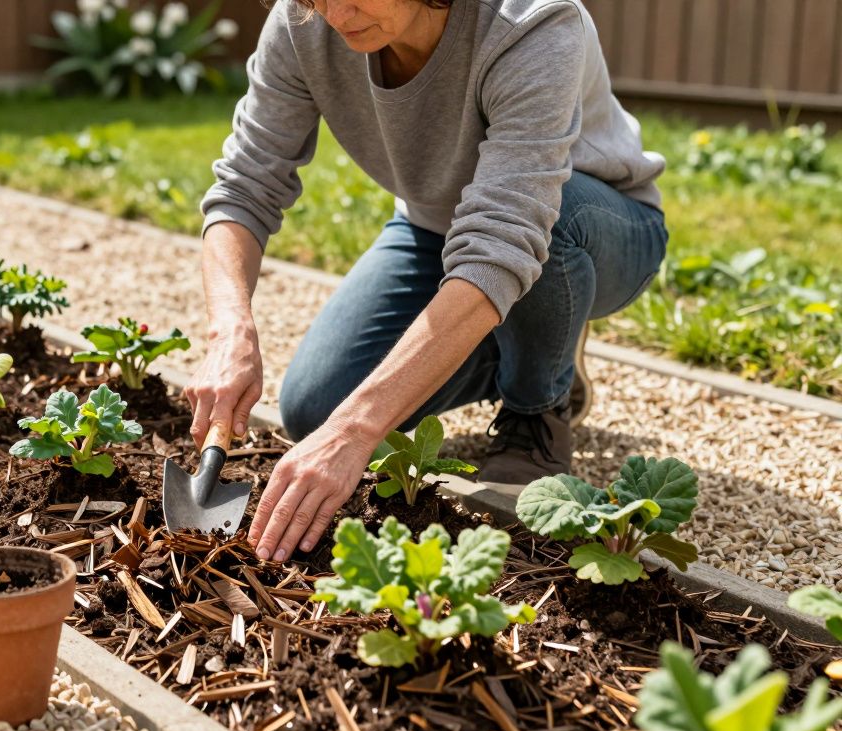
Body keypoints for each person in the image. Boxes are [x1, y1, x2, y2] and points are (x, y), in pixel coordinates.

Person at [183, 0, 668, 562]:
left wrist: (358, 430)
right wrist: (229, 334)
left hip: (591, 225)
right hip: (436, 228)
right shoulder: (304, 23)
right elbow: (244, 184)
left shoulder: (534, 22)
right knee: (316, 410)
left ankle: (538, 405)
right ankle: (514, 343)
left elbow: (503, 240)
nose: (334, 13)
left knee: (541, 232)